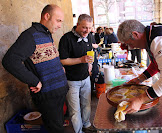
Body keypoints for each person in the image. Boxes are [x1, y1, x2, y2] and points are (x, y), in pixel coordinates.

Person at [2, 4, 68, 133]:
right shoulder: (30, 35)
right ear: (47, 16)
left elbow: (46, 58)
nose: (60, 25)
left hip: (59, 92)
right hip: (48, 96)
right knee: (56, 130)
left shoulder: (47, 34)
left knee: (59, 125)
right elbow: (10, 60)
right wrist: (34, 80)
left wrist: (60, 68)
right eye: (58, 20)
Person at [58, 14, 96, 133]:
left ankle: (86, 124)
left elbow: (90, 52)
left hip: (85, 78)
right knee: (75, 110)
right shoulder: (66, 39)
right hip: (71, 81)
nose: (87, 31)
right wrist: (81, 60)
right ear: (77, 24)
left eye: (90, 28)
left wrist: (89, 65)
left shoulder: (89, 36)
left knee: (87, 105)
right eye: (84, 27)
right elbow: (62, 60)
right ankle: (78, 131)